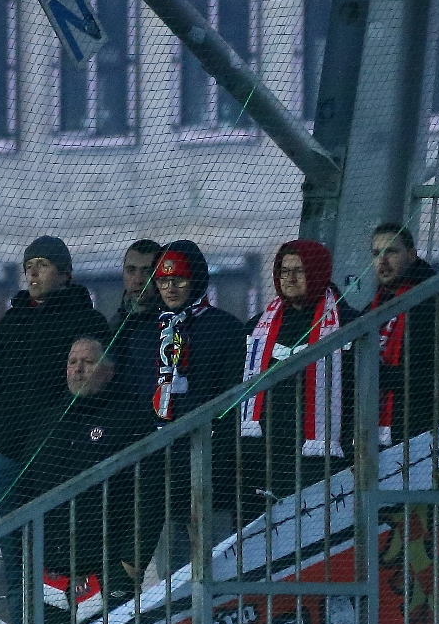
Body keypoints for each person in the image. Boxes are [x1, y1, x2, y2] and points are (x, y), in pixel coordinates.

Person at [3, 336, 158, 616]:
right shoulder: (47, 421)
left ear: (109, 371)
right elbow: (23, 493)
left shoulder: (131, 419)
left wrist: (130, 564)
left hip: (107, 573)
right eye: (72, 362)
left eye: (88, 362)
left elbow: (149, 496)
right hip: (48, 575)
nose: (78, 369)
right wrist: (26, 557)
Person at [143, 239, 248, 582]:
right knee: (172, 572)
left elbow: (231, 401)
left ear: (197, 281)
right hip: (158, 467)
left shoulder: (226, 329)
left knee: (217, 562)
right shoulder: (146, 332)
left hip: (208, 463)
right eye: (163, 280)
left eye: (180, 280)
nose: (170, 288)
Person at [0, 237, 108, 519]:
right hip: (9, 451)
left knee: (57, 535)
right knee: (13, 539)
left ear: (65, 273)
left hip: (60, 450)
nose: (34, 273)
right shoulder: (12, 321)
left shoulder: (87, 320)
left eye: (43, 265)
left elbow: (95, 384)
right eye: (29, 266)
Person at [239, 238, 357, 500]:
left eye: (299, 270)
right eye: (284, 271)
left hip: (322, 458)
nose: (289, 278)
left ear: (317, 271)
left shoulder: (350, 324)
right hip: (264, 456)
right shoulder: (256, 328)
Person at [368, 223, 439, 445]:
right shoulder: (369, 312)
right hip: (371, 439)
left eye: (391, 251)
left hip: (423, 440)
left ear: (411, 255)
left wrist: (381, 376)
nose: (383, 261)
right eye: (376, 254)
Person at [108, 238, 166, 403]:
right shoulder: (115, 326)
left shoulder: (174, 325)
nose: (138, 279)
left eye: (147, 271)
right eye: (131, 270)